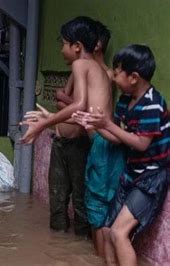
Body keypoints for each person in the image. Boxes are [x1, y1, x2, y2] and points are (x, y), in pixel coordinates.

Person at [74, 44, 169, 266]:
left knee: (118, 233)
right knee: (106, 231)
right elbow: (118, 137)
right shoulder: (125, 101)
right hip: (131, 173)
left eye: (117, 74)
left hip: (151, 177)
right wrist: (93, 125)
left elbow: (141, 143)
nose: (114, 79)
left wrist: (106, 123)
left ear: (134, 77)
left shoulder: (153, 104)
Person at [21, 16, 112, 239]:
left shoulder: (82, 64)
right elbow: (84, 113)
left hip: (98, 145)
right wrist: (52, 116)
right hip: (103, 143)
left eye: (63, 43)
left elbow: (78, 104)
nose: (61, 49)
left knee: (90, 209)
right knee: (93, 210)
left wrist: (44, 123)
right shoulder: (93, 68)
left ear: (77, 46)